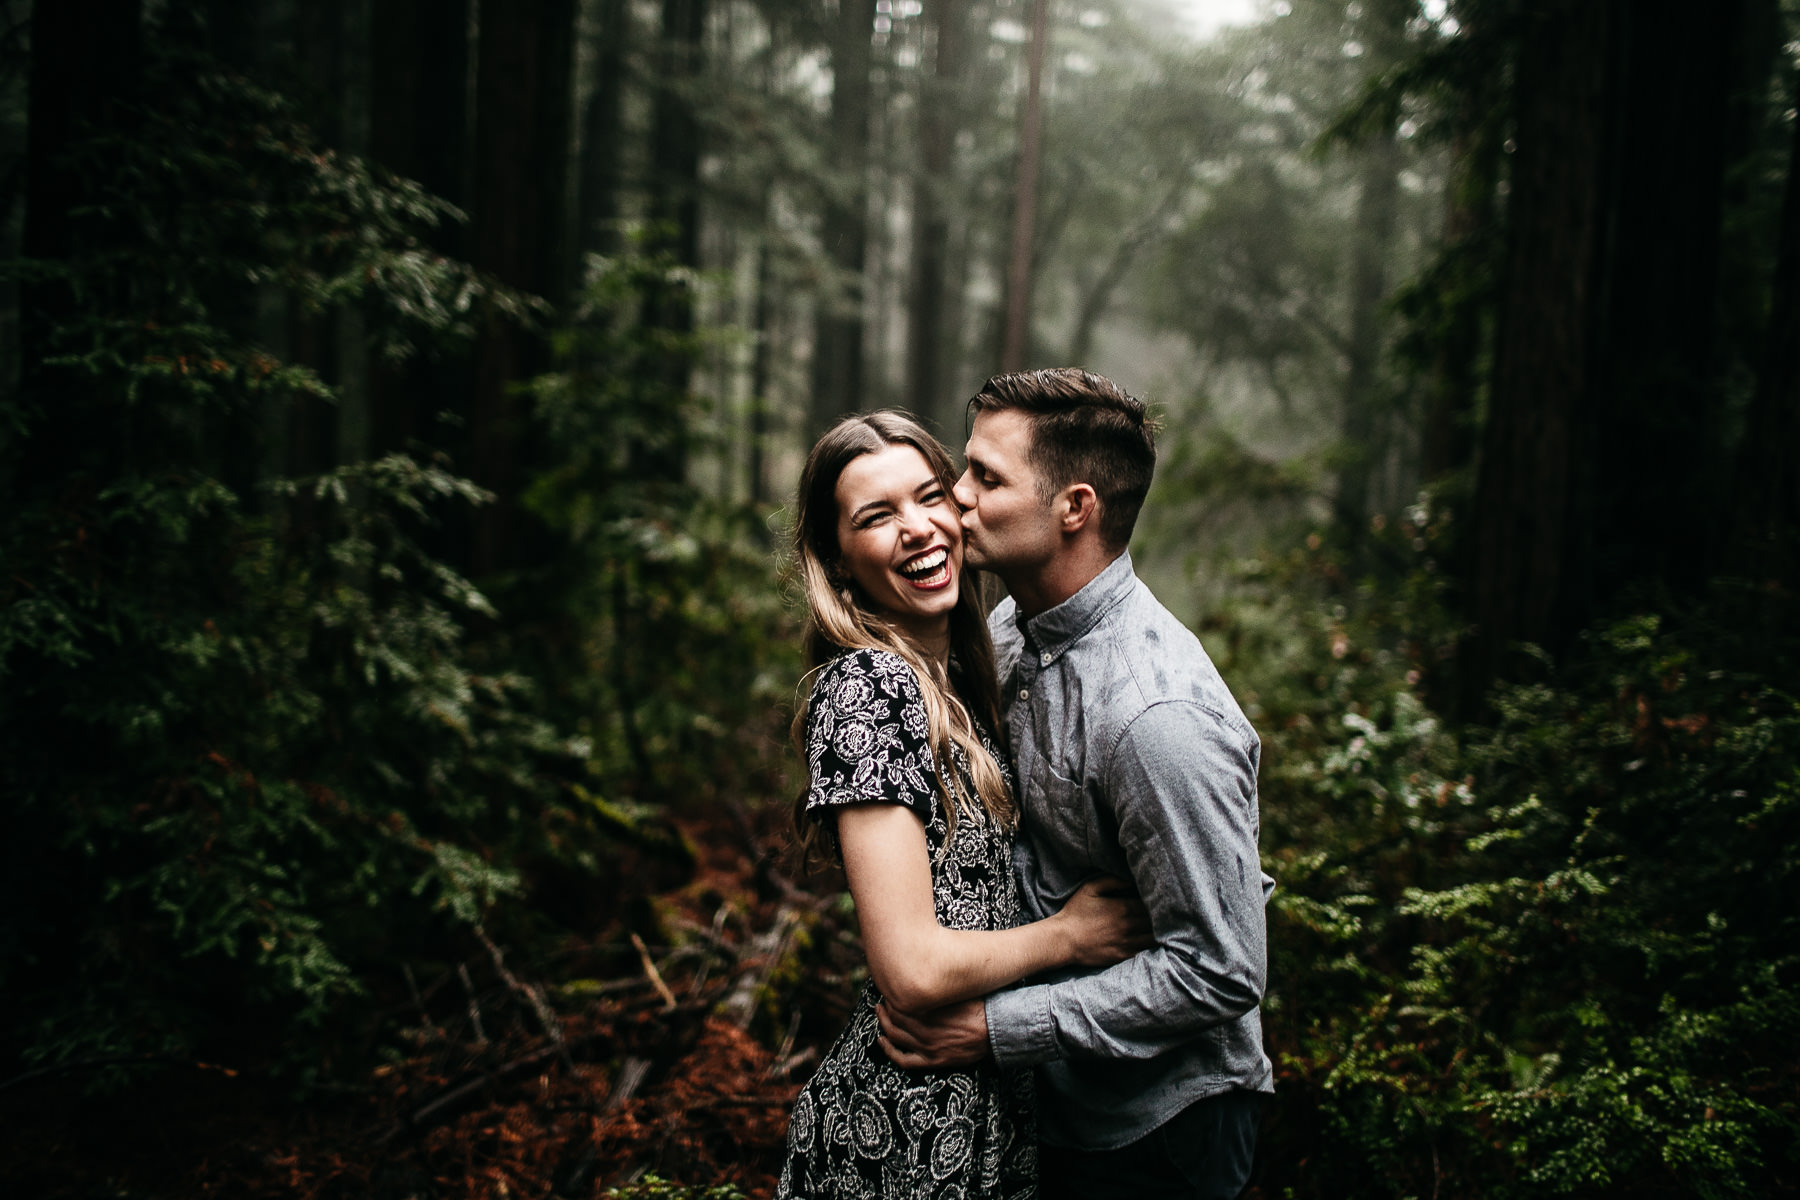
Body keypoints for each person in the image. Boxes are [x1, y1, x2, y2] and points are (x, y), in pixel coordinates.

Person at [876, 370, 1274, 1200]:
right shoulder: (1007, 627)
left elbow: (1220, 968)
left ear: (1075, 508)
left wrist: (993, 1030)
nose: (956, 495)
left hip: (1162, 1133)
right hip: (1054, 1109)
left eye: (986, 477)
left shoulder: (1158, 716)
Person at [775, 411, 1152, 1200]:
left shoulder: (958, 684)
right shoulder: (871, 691)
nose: (916, 529)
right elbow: (910, 968)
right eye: (876, 517)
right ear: (839, 562)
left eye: (927, 496)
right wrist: (1070, 935)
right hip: (902, 1133)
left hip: (982, 1106)